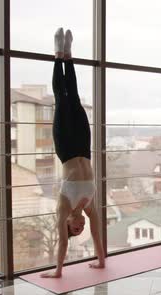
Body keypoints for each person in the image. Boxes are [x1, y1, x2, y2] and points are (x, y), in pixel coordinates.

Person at [40, 28, 105, 278]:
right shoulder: (90, 206)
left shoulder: (63, 207)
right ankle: (69, 56)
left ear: (69, 224)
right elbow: (98, 236)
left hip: (66, 147)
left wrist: (57, 271)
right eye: (81, 229)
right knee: (75, 100)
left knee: (62, 99)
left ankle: (58, 54)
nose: (80, 227)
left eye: (75, 229)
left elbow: (63, 243)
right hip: (84, 146)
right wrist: (100, 261)